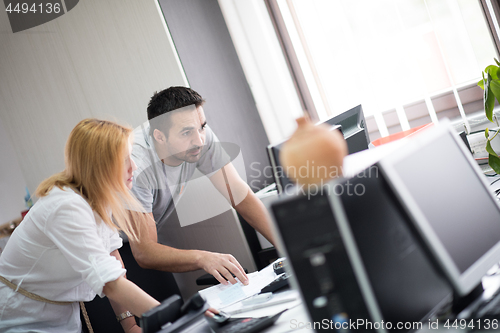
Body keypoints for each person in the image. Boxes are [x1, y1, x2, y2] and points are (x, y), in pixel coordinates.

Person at [0, 119, 160, 333]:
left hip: (61, 315)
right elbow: (111, 283)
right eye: (124, 159)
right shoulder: (66, 206)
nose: (134, 166)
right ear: (99, 165)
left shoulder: (100, 198)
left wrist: (129, 325)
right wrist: (173, 316)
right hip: (22, 317)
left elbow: (113, 261)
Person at [129, 86, 275, 285]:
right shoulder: (136, 165)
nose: (199, 141)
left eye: (202, 127)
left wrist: (289, 247)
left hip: (146, 238)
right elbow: (144, 251)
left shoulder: (198, 133)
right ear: (160, 136)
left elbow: (239, 193)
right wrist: (202, 258)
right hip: (108, 246)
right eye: (187, 133)